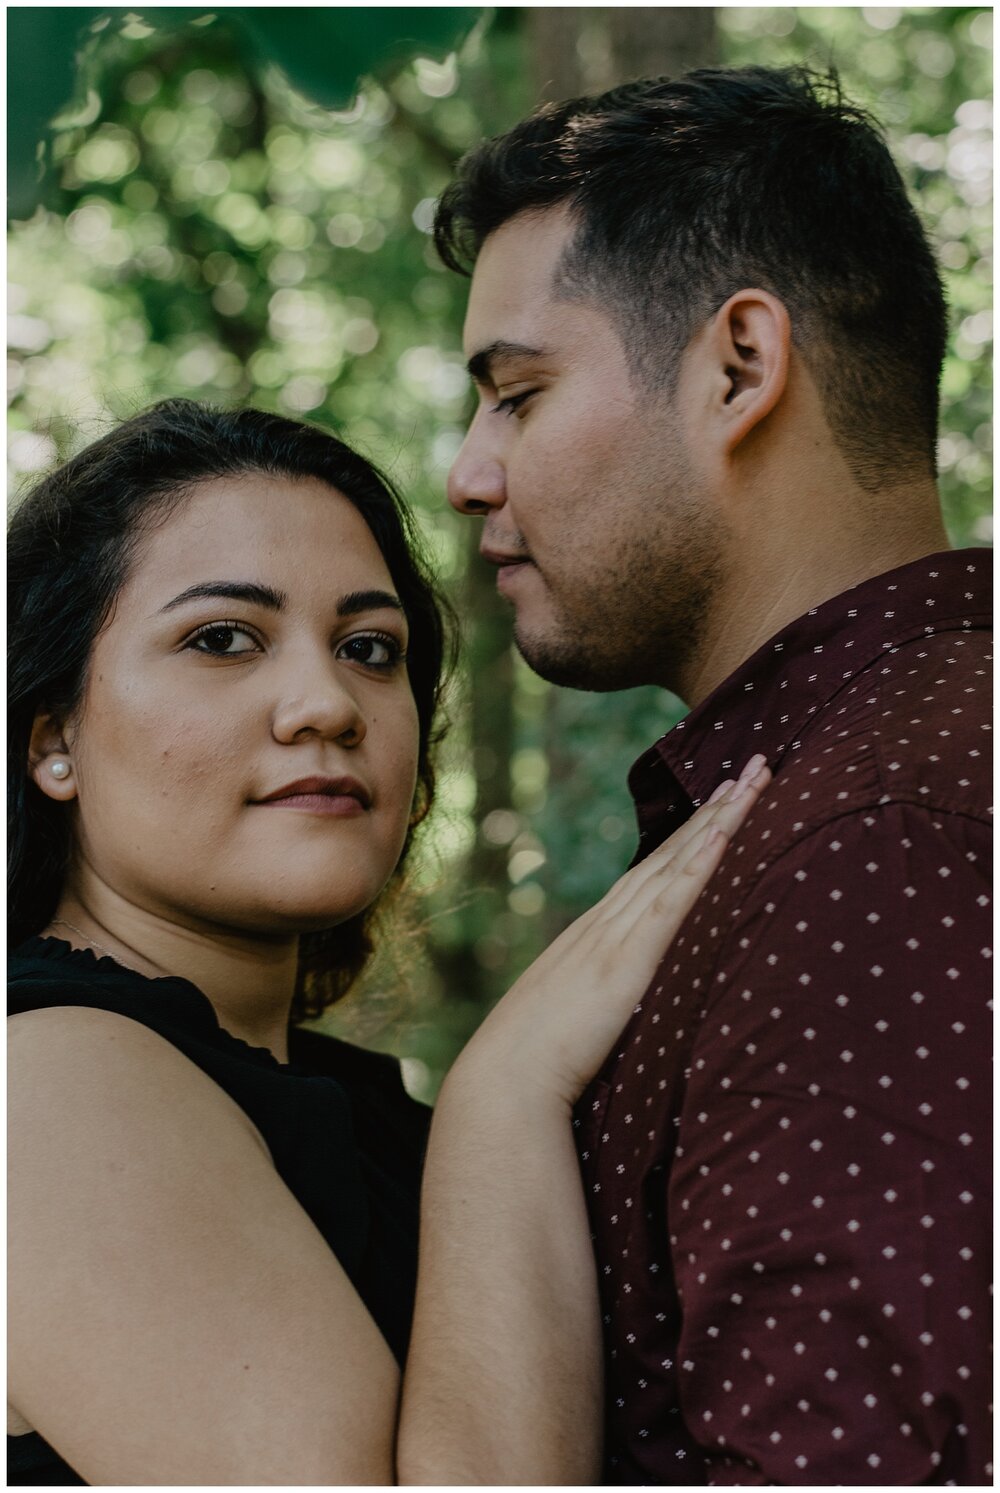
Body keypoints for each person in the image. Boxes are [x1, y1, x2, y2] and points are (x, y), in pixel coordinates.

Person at [7, 398, 769, 1486]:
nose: (328, 701)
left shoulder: (302, 1095)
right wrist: (503, 1096)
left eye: (371, 648)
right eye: (221, 638)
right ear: (54, 739)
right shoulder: (47, 1085)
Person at [436, 65, 992, 1484]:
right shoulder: (867, 780)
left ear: (740, 366)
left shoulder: (881, 838)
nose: (467, 472)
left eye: (517, 394)